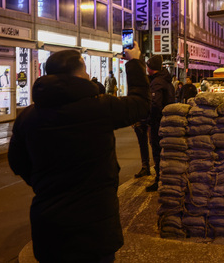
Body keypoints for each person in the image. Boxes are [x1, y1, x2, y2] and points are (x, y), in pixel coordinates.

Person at [8, 43, 150, 263]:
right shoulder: (101, 108)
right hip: (95, 223)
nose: (88, 74)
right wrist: (133, 62)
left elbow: (17, 162)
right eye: (85, 70)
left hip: (49, 223)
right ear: (78, 73)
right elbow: (141, 104)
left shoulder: (28, 117)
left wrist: (43, 182)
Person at [133, 55, 175, 190]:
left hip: (158, 123)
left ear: (151, 68)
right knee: (163, 151)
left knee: (157, 151)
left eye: (148, 66)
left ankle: (159, 180)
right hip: (166, 121)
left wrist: (149, 120)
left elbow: (155, 105)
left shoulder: (157, 82)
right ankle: (164, 178)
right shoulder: (166, 80)